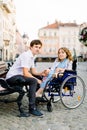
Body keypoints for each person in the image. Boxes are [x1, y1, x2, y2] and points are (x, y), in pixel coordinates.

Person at [6, 39, 44, 117]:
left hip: (19, 76)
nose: (38, 49)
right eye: (36, 47)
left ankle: (35, 98)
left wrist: (42, 73)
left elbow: (33, 72)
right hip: (12, 78)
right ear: (31, 47)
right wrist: (38, 80)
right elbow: (26, 73)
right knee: (33, 81)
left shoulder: (32, 57)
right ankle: (32, 108)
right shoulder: (26, 55)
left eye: (39, 47)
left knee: (37, 77)